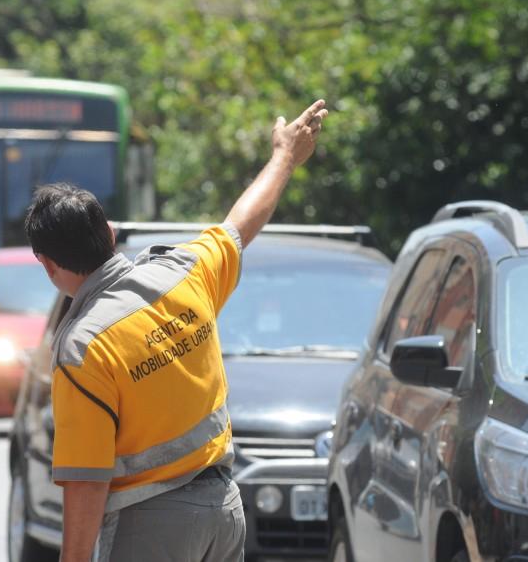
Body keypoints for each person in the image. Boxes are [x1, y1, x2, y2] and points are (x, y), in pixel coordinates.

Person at [24, 99, 328, 561]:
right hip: (224, 509)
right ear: (108, 234)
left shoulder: (83, 347)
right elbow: (241, 224)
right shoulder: (185, 272)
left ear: (46, 265)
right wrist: (285, 155)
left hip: (152, 526)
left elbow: (86, 479)